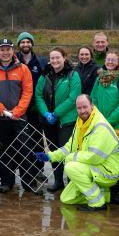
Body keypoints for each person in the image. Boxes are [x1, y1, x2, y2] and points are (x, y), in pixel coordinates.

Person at [38, 94, 119, 211]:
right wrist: (50, 156)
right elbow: (69, 146)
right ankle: (105, 195)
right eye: (79, 108)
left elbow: (95, 157)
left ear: (92, 106)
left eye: (85, 107)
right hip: (96, 167)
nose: (82, 111)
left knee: (70, 166)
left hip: (109, 170)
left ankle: (97, 203)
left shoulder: (100, 125)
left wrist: (70, 158)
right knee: (66, 198)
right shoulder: (80, 122)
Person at [0, 37, 34, 193]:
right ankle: (6, 182)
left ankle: (28, 182)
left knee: (24, 149)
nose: (5, 52)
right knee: (3, 151)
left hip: (19, 118)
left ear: (12, 50)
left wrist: (18, 111)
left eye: (8, 49)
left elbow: (27, 91)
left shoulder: (23, 69)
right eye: (2, 49)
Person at [90, 50, 119, 202]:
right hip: (100, 126)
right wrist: (98, 119)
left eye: (113, 60)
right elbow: (93, 98)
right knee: (101, 158)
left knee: (116, 160)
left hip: (118, 128)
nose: (109, 62)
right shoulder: (99, 78)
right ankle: (103, 188)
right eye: (108, 59)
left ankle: (115, 193)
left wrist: (107, 121)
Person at [35, 47, 81, 193]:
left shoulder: (73, 75)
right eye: (52, 58)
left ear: (64, 58)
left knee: (67, 151)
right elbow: (38, 96)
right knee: (54, 151)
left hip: (67, 120)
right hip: (49, 121)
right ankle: (58, 180)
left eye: (58, 57)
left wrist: (56, 113)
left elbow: (74, 98)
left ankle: (72, 181)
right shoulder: (45, 75)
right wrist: (46, 113)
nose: (55, 60)